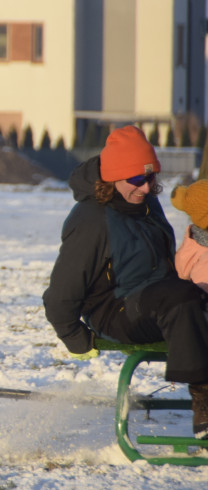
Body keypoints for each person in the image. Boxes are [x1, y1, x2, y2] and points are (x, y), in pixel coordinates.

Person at [43, 125, 208, 439]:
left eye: (150, 178)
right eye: (136, 179)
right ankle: (204, 401)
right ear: (113, 176)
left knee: (190, 296)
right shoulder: (91, 219)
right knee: (182, 299)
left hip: (160, 297)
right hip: (117, 310)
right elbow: (60, 294)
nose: (146, 187)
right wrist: (75, 337)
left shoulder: (145, 203)